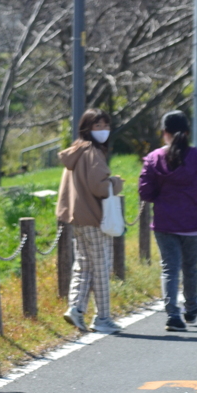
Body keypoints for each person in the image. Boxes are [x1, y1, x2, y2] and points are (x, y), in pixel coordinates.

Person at [138, 110, 197, 332]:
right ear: (187, 132)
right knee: (190, 268)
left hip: (165, 223)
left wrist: (162, 197)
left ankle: (173, 314)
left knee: (170, 269)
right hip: (194, 222)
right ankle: (192, 305)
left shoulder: (154, 158)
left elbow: (145, 191)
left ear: (164, 133)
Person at [56, 108, 124, 334]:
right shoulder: (93, 152)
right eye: (98, 126)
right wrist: (116, 183)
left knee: (83, 264)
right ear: (87, 128)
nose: (104, 130)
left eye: (106, 125)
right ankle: (102, 317)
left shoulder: (75, 151)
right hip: (93, 218)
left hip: (75, 217)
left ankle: (75, 308)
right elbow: (99, 187)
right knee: (101, 267)